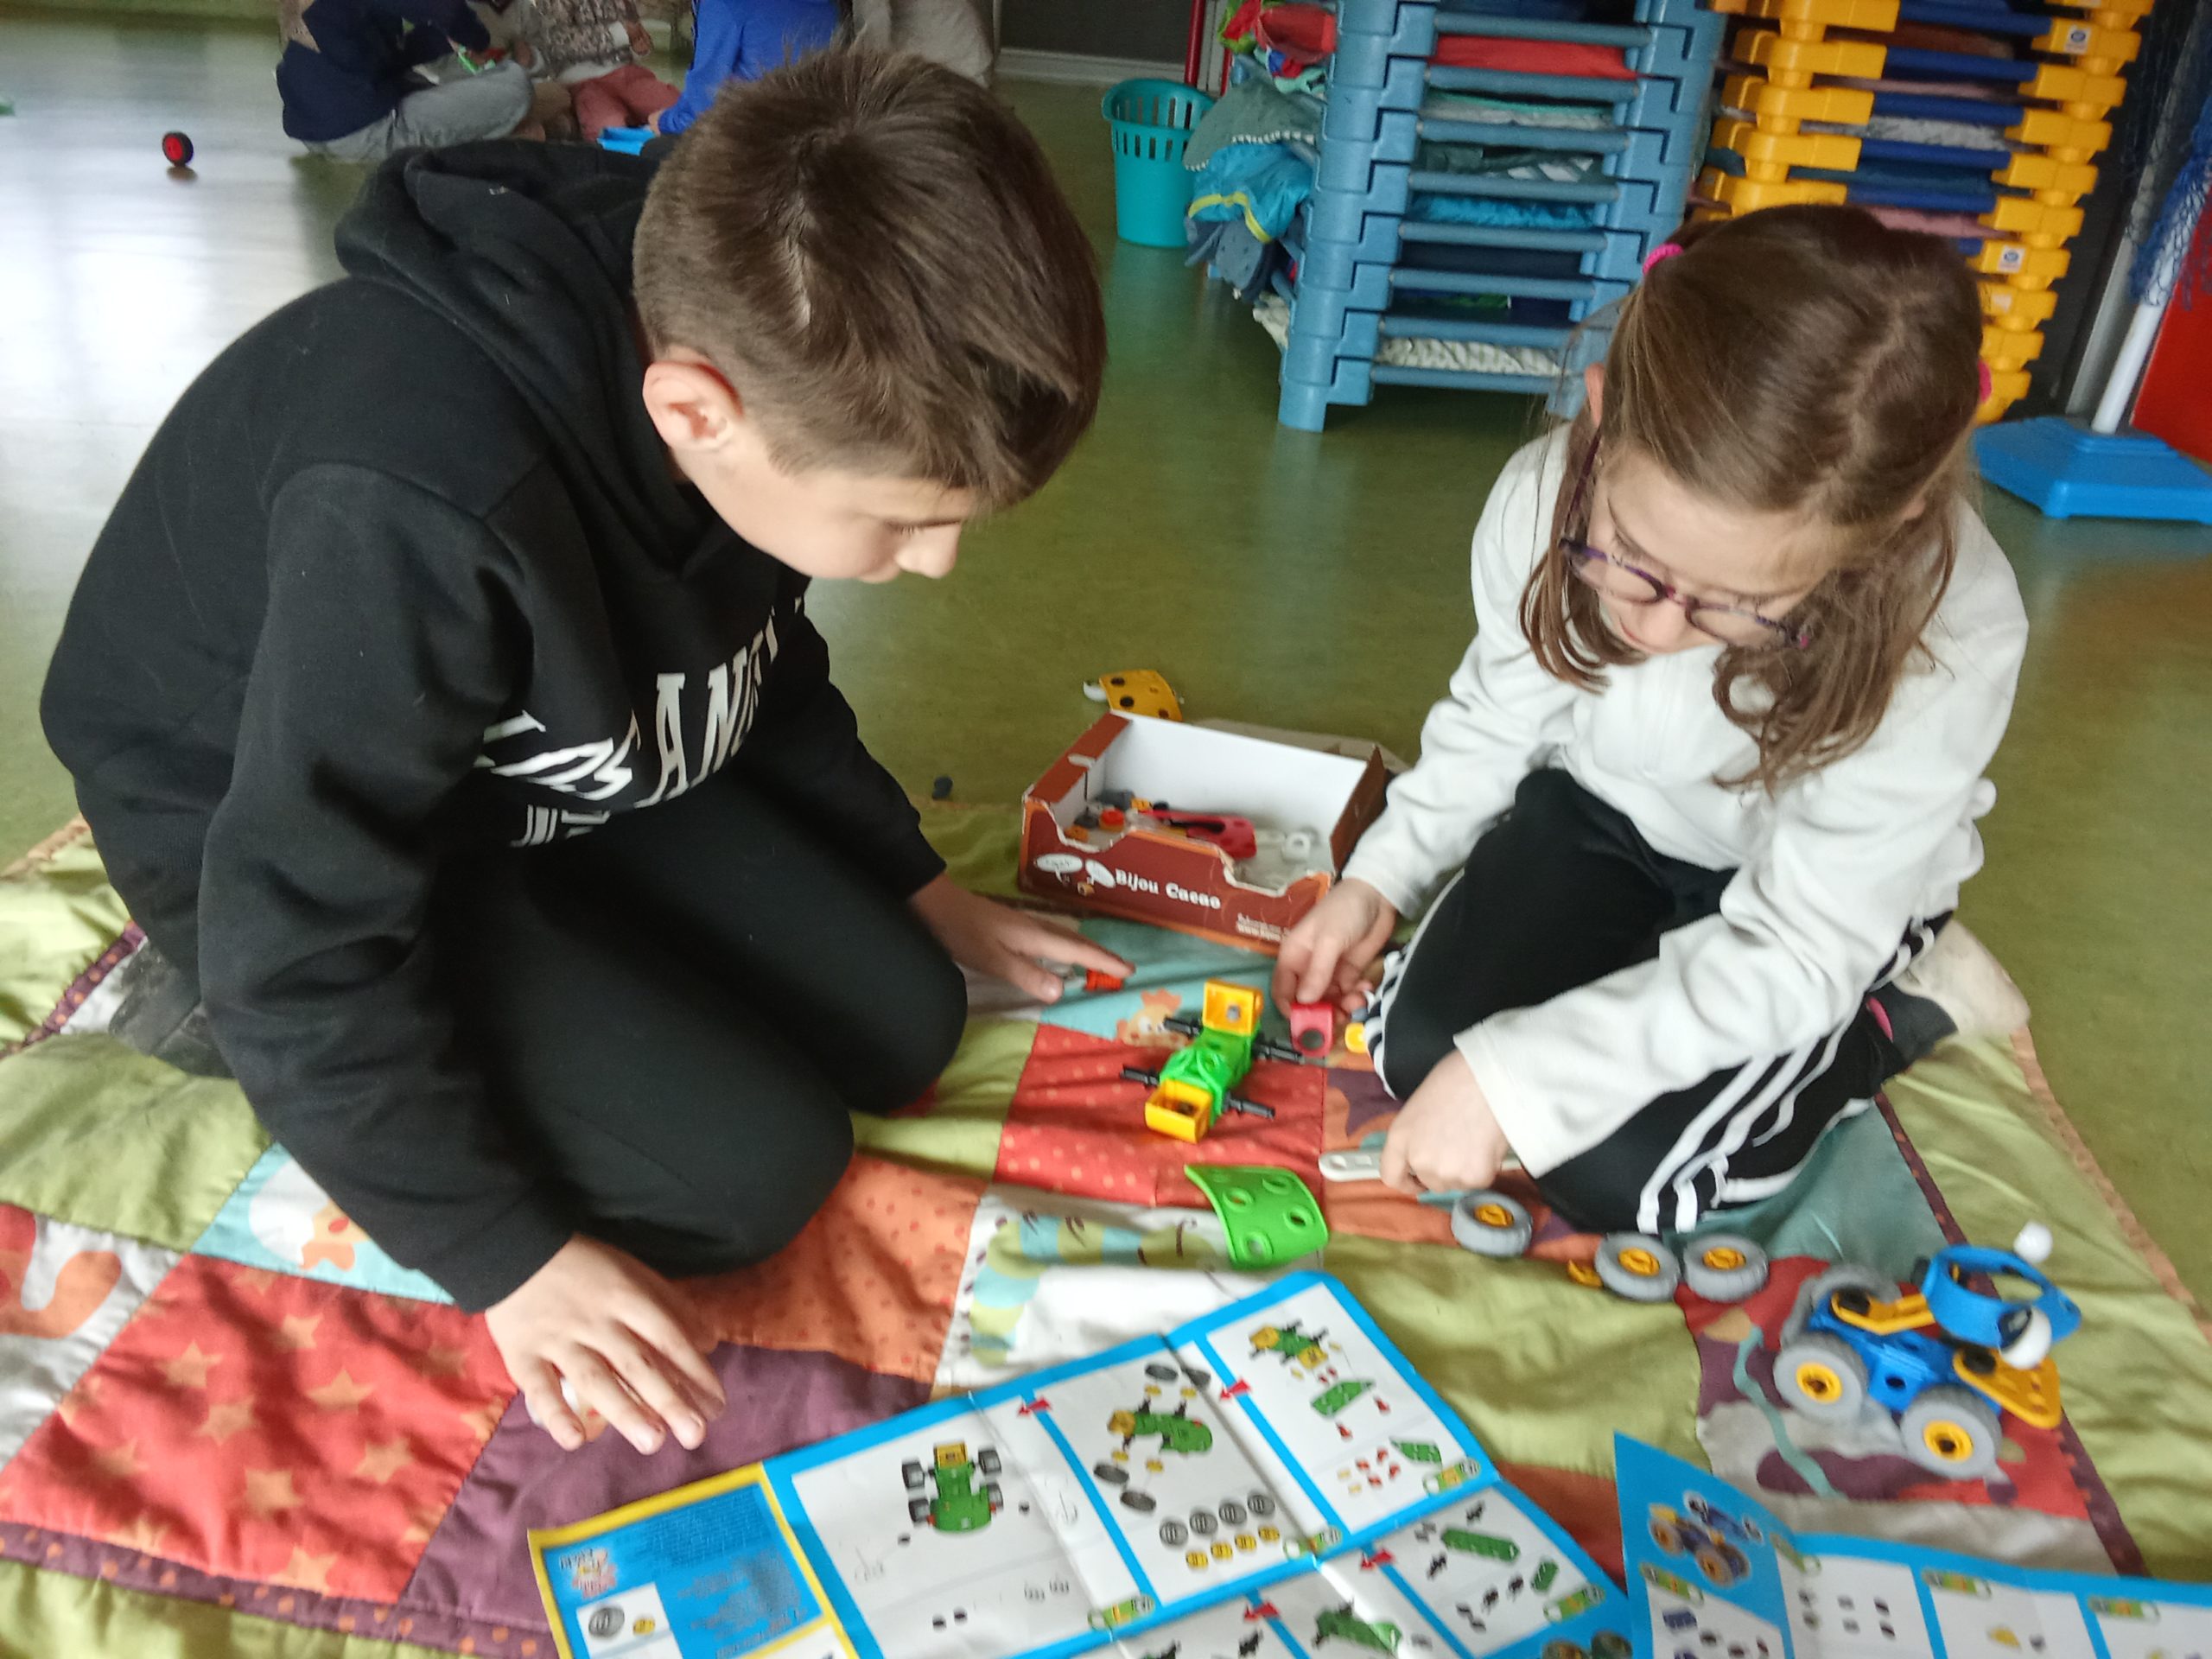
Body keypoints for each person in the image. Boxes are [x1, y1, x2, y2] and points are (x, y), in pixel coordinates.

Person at [42, 49, 1123, 1457]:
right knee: (752, 1175)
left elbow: (755, 664)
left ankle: (572, 940)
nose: (935, 564)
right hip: (262, 825)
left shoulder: (752, 333)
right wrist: (507, 1257)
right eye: (906, 520)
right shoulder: (420, 504)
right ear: (694, 414)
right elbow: (300, 926)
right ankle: (219, 1016)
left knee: (907, 1013)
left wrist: (918, 881)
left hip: (515, 752)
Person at [1276, 207, 2032, 1241]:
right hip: (1605, 813)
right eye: (1631, 558)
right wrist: (1381, 876)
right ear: (1600, 415)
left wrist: (1527, 1075)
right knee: (1419, 1057)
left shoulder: (1952, 634)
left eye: (1737, 605)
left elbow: (1794, 948)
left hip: (1803, 906)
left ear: (1880, 532)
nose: (1660, 628)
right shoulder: (1541, 497)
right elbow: (1497, 713)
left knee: (1625, 1181)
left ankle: (1891, 1014)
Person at [277, 0, 543, 161]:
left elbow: (378, 55)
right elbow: (447, 10)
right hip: (363, 130)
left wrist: (446, 41)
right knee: (517, 89)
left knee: (451, 83)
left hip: (313, 128)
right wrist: (478, 40)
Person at [652, 0, 842, 137]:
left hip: (755, 141)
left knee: (652, 151)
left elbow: (702, 111)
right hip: (814, 134)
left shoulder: (725, 5)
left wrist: (664, 123)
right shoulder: (827, 5)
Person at [513, 0, 680, 143]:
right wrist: (620, 34)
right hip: (584, 81)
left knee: (678, 108)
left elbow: (634, 30)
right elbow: (558, 42)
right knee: (610, 127)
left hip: (628, 73)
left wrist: (639, 46)